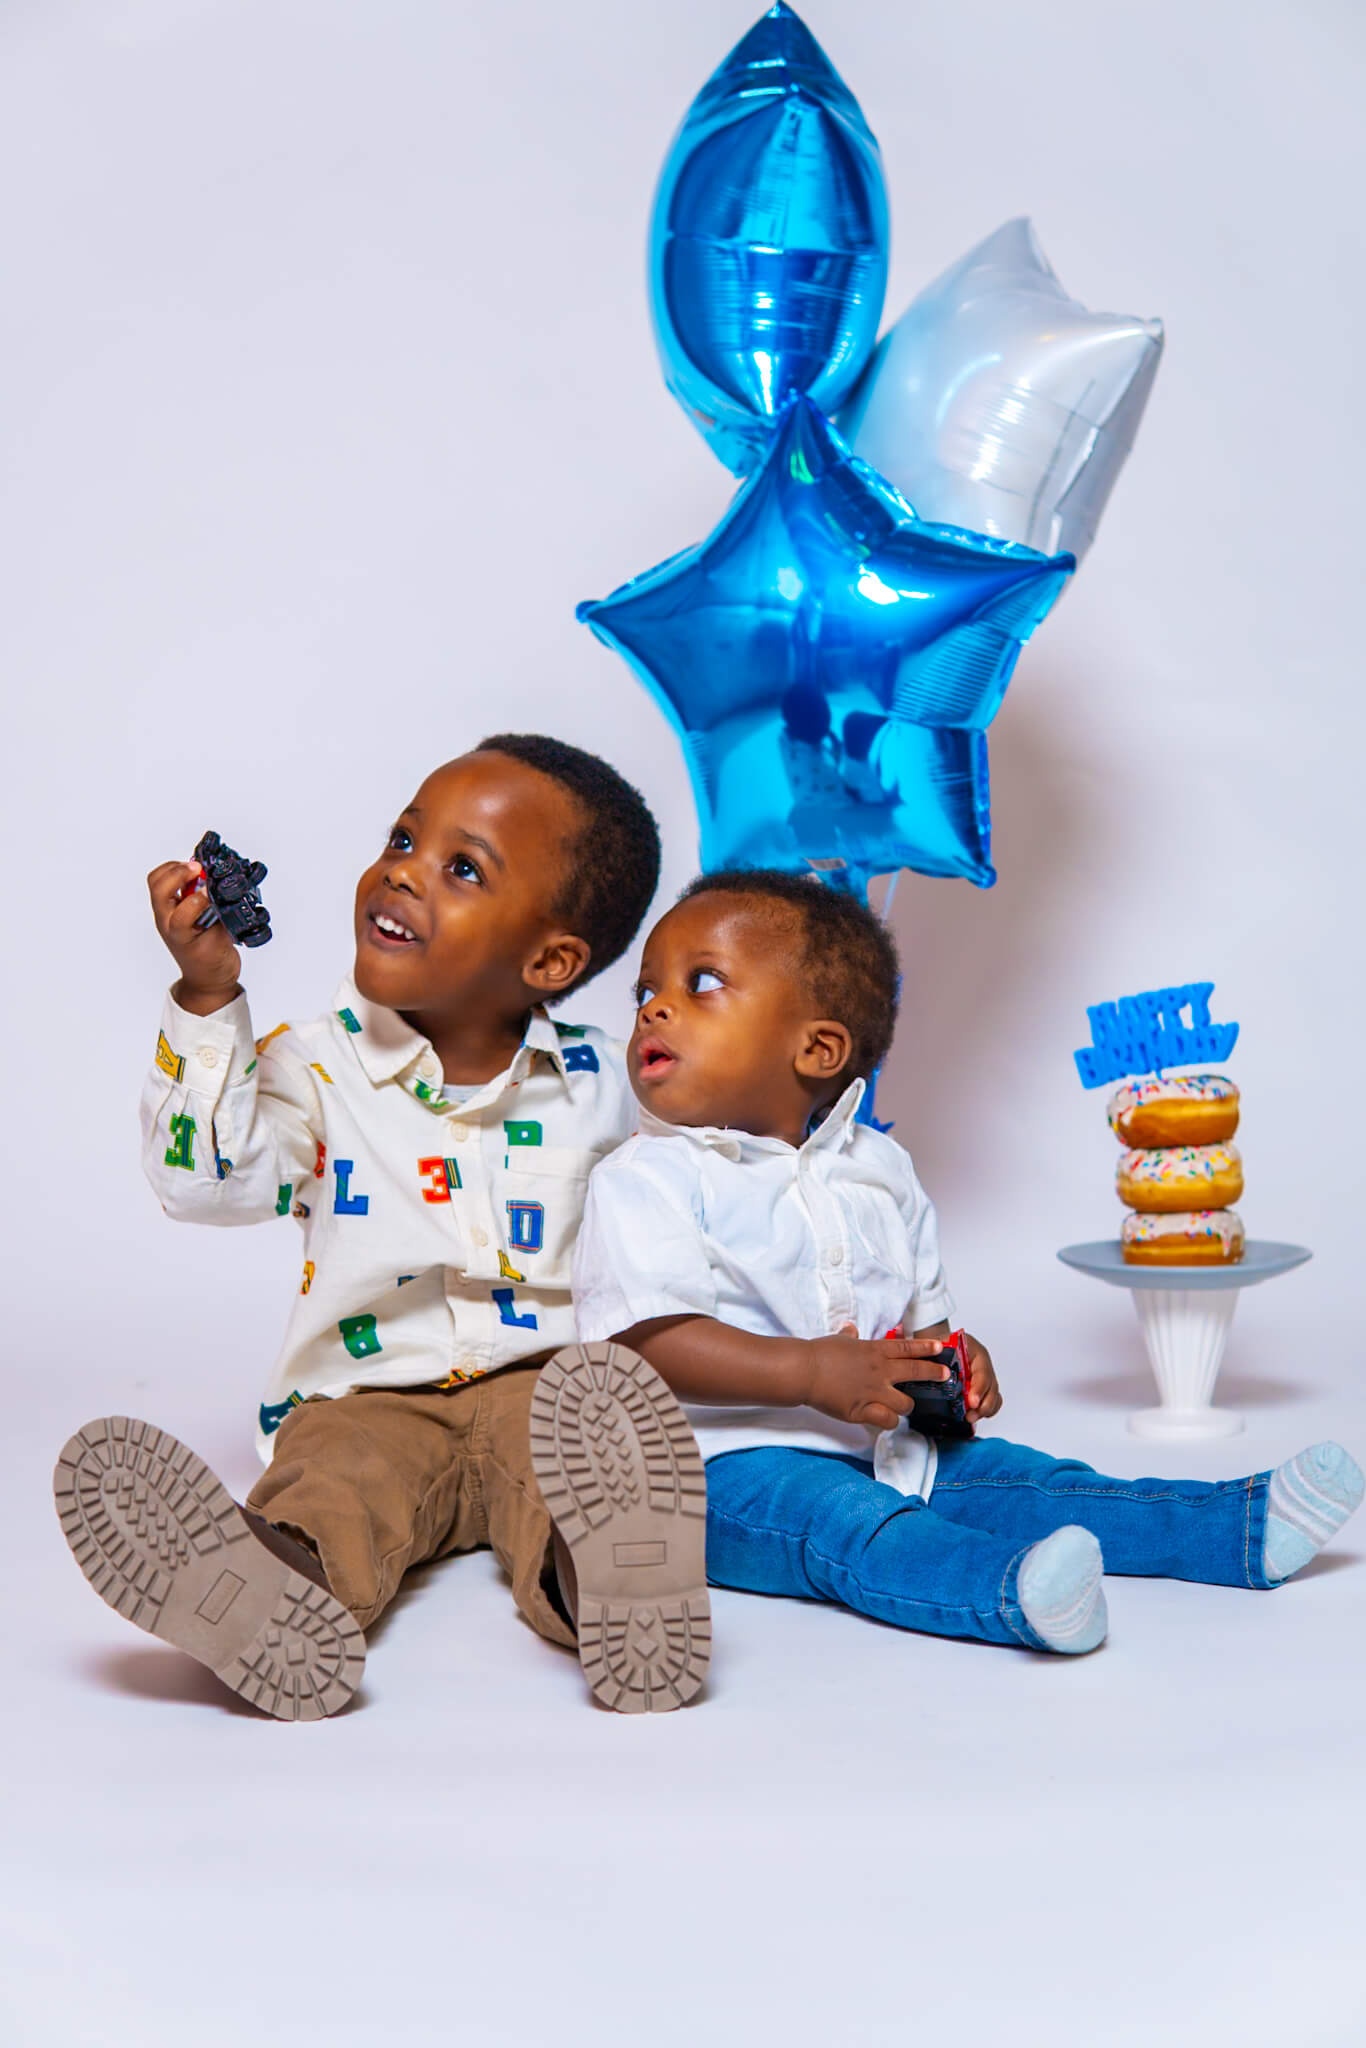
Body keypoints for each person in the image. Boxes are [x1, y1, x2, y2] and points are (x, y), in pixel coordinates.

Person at [53, 735, 710, 1718]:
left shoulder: (612, 1085)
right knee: (333, 1482)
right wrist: (206, 996)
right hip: (364, 1393)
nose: (401, 869)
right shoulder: (310, 1069)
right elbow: (200, 1182)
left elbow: (712, 1199)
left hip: (547, 1390)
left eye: (460, 866)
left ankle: (614, 1583)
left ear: (549, 957)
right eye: (403, 836)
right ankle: (268, 1582)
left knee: (580, 1468)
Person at [571, 868, 1363, 1655]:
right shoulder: (647, 1176)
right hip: (717, 1475)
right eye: (644, 990)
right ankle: (1011, 1590)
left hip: (891, 1451)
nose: (654, 1007)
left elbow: (921, 1328)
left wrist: (956, 1367)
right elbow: (644, 1347)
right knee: (850, 1525)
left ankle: (1236, 1529)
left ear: (817, 1047)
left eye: (700, 981)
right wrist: (812, 1374)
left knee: (1035, 1482)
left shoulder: (879, 1169)